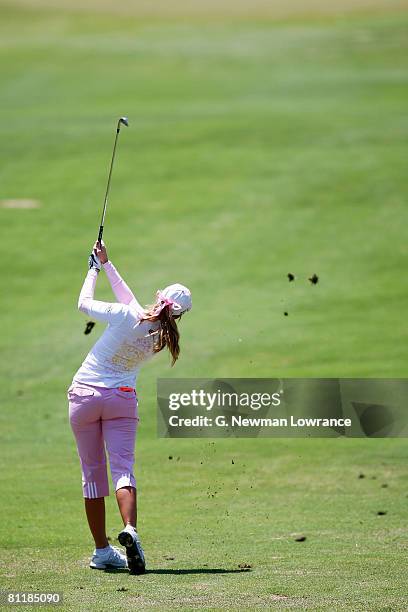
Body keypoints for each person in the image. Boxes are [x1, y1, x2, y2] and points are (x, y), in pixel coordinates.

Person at [67, 241, 192, 574]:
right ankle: (130, 530)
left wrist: (93, 269)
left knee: (92, 475)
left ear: (160, 297)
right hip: (121, 400)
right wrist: (108, 264)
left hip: (84, 397)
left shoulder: (127, 317)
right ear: (179, 315)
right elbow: (131, 303)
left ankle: (101, 551)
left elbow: (84, 304)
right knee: (122, 470)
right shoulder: (162, 337)